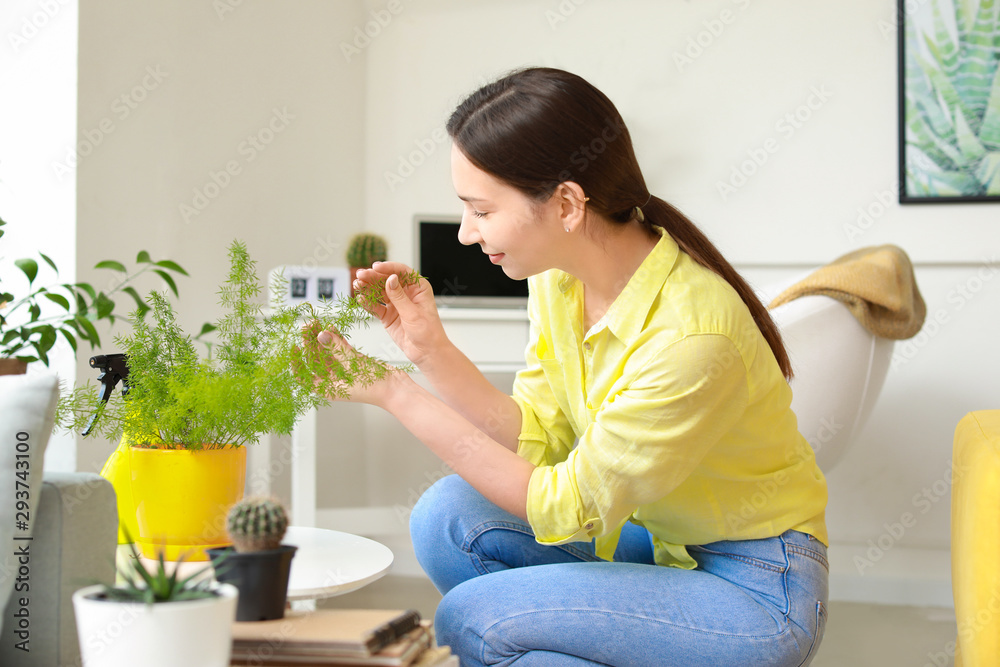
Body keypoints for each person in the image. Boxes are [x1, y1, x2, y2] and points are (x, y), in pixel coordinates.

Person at [313, 66, 829, 666]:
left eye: (480, 210)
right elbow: (540, 439)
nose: (464, 233)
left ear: (565, 204)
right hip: (659, 546)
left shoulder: (692, 337)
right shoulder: (560, 283)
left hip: (757, 590)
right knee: (448, 516)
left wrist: (397, 394)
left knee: (470, 619)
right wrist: (430, 350)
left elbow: (567, 508)